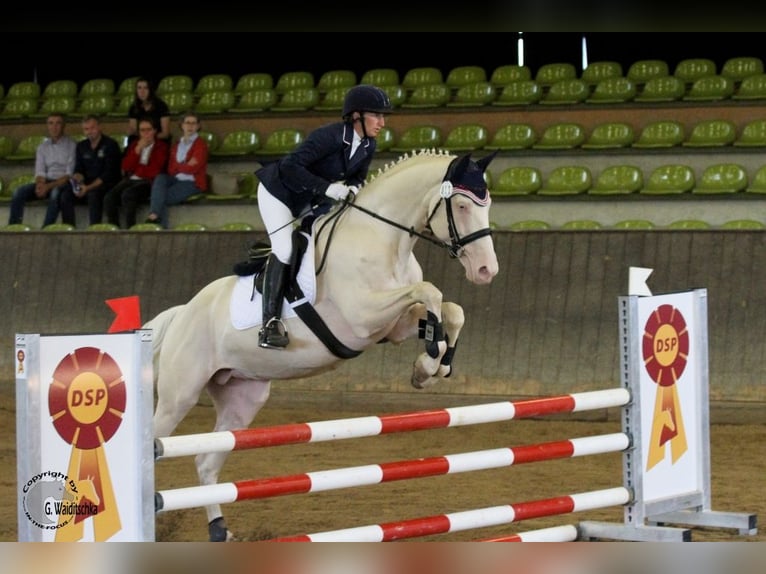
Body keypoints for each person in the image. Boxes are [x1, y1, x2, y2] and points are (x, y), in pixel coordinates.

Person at [254, 84, 392, 349]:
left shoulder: (368, 144)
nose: (382, 123)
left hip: (310, 198)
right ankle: (269, 324)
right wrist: (327, 188)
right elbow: (291, 166)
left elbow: (357, 177)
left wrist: (353, 188)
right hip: (279, 192)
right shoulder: (329, 136)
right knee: (284, 248)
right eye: (377, 115)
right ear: (357, 116)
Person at [8, 112, 77, 227]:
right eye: (51, 123)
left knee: (55, 194)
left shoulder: (72, 145)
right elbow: (40, 170)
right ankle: (14, 226)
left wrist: (47, 187)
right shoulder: (42, 147)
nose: (54, 127)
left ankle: (46, 228)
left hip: (63, 183)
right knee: (18, 192)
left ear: (63, 125)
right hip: (46, 181)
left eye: (58, 123)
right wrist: (40, 184)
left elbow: (69, 174)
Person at [145, 111, 209, 228]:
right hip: (175, 179)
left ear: (198, 126)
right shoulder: (177, 145)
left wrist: (179, 166)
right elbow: (171, 168)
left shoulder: (201, 144)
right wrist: (184, 165)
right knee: (160, 178)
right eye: (187, 123)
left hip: (192, 182)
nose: (190, 126)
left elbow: (193, 168)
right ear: (182, 125)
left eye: (194, 123)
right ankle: (156, 217)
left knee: (159, 197)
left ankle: (155, 219)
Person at [103, 117, 169, 229]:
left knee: (128, 194)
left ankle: (131, 228)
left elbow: (155, 170)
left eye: (149, 129)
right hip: (131, 179)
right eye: (142, 130)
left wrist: (139, 169)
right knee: (109, 197)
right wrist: (137, 151)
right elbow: (126, 166)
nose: (146, 133)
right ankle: (114, 227)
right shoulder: (134, 145)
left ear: (155, 131)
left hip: (149, 182)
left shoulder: (161, 147)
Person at [59, 114, 122, 227]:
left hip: (107, 184)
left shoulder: (111, 145)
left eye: (92, 128)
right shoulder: (81, 146)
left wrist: (88, 188)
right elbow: (79, 169)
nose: (89, 131)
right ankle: (69, 227)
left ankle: (94, 228)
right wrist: (78, 179)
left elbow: (109, 173)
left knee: (93, 194)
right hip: (87, 183)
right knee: (66, 194)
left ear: (99, 127)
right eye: (86, 129)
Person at [127, 77, 171, 143]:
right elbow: (134, 131)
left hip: (157, 140)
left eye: (145, 88)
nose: (142, 91)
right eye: (139, 88)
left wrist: (148, 138)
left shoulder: (161, 106)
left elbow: (165, 134)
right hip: (141, 140)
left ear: (151, 90)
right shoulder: (133, 107)